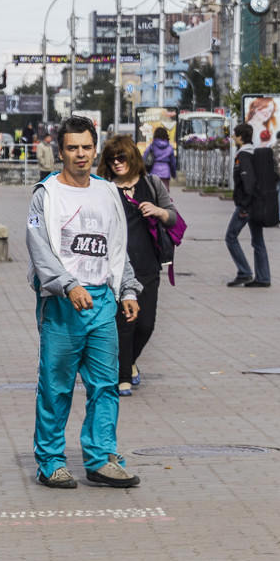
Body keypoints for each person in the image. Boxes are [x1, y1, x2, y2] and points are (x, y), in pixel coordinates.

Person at [26, 115, 142, 489]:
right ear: (60, 151)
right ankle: (50, 462)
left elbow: (117, 246)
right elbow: (39, 249)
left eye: (86, 147)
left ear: (96, 149)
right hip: (62, 304)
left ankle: (100, 457)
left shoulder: (108, 191)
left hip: (102, 302)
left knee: (106, 385)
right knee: (56, 387)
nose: (80, 154)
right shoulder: (46, 194)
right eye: (72, 147)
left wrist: (126, 289)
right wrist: (66, 284)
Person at [100, 135, 178, 396]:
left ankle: (130, 361)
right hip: (118, 267)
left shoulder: (152, 183)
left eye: (120, 157)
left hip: (148, 264)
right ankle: (122, 378)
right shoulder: (105, 188)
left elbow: (172, 216)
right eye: (111, 159)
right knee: (124, 324)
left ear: (132, 156)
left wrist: (158, 211)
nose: (116, 163)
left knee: (146, 324)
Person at [226, 122, 270, 287]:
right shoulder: (254, 152)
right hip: (257, 202)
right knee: (258, 241)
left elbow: (248, 182)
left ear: (240, 137)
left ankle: (244, 272)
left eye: (234, 135)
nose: (233, 137)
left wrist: (244, 207)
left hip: (247, 204)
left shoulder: (243, 155)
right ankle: (263, 277)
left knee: (230, 237)